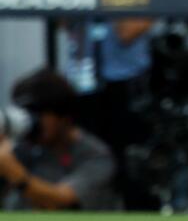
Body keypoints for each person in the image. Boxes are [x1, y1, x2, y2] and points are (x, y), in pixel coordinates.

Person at [53, 0, 157, 208]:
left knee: (127, 164)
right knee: (82, 160)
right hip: (81, 83)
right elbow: (59, 19)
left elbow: (128, 31)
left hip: (126, 87)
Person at [0, 69, 117, 211]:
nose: (31, 122)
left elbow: (61, 202)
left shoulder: (96, 156)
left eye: (36, 113)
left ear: (63, 117)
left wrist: (15, 173)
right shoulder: (21, 150)